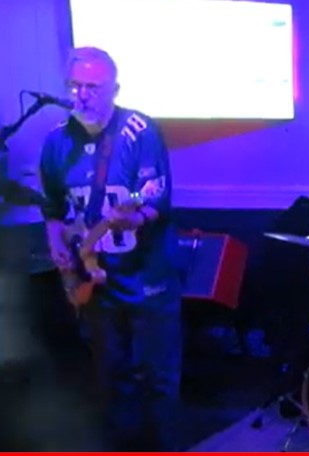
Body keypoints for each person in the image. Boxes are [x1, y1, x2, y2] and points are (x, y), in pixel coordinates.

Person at [39, 47, 182, 451]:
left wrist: (135, 217)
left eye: (93, 87)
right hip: (95, 282)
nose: (82, 95)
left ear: (114, 90)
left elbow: (156, 201)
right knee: (108, 378)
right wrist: (59, 250)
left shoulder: (140, 132)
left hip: (147, 278)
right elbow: (52, 209)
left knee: (157, 378)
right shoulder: (56, 142)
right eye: (75, 86)